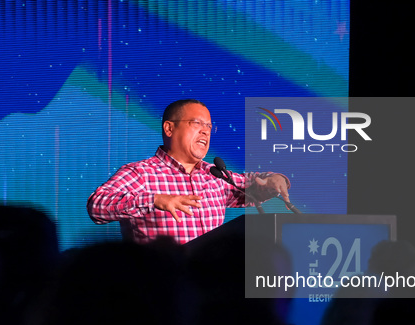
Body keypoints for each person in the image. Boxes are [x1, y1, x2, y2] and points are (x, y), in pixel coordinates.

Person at [87, 99, 291, 244]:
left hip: (211, 288)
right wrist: (155, 200)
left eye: (209, 126)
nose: (205, 131)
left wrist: (275, 179)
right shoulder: (140, 173)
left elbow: (255, 183)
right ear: (169, 129)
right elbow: (97, 205)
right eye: (197, 123)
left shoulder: (215, 175)